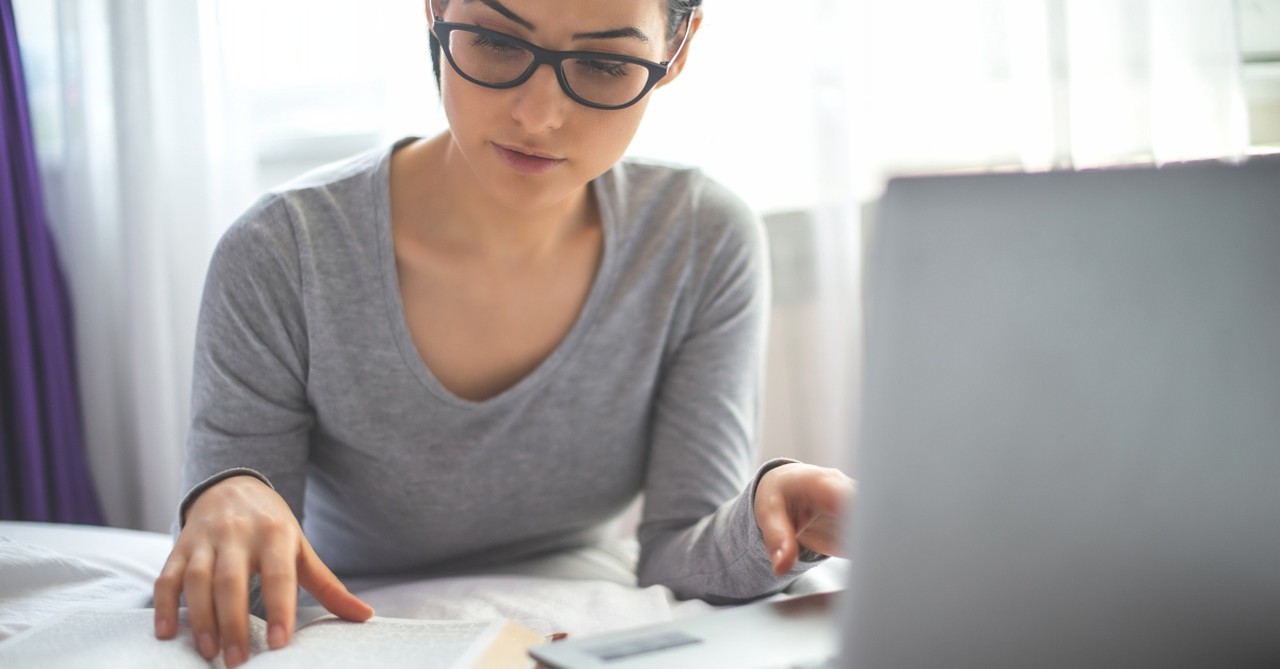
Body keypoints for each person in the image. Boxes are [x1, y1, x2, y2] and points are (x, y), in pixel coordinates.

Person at [152, 0, 855, 667]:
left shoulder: (699, 240)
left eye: (605, 66)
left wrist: (776, 515)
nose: (538, 115)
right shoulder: (283, 254)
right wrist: (230, 495)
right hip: (354, 633)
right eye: (495, 40)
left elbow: (677, 557)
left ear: (676, 49)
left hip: (585, 623)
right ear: (435, 10)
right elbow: (243, 590)